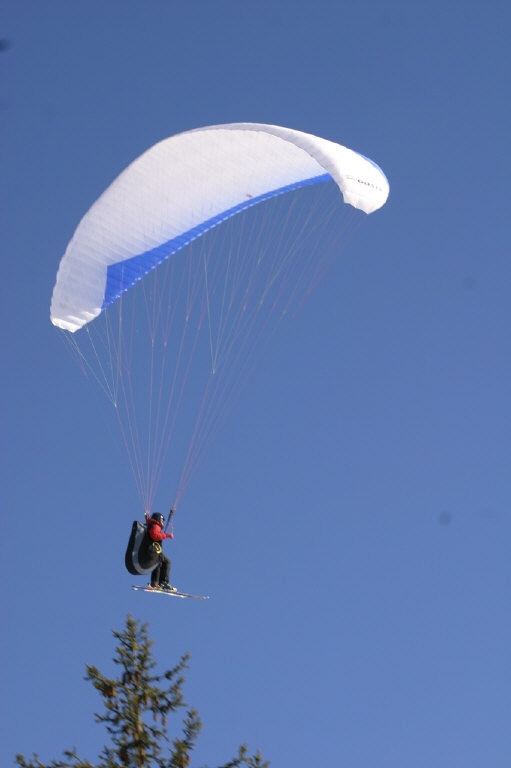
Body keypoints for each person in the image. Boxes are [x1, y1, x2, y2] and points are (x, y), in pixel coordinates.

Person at [145, 512, 176, 591]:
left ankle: (156, 583)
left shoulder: (151, 525)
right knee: (165, 562)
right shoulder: (155, 526)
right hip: (153, 550)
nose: (162, 522)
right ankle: (162, 583)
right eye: (162, 520)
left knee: (160, 563)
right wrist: (167, 535)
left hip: (152, 550)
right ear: (158, 519)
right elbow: (155, 536)